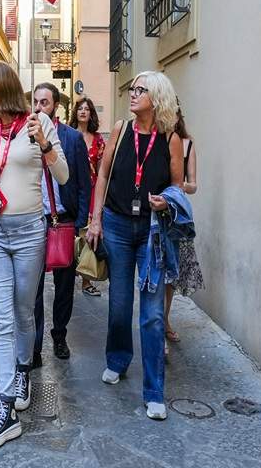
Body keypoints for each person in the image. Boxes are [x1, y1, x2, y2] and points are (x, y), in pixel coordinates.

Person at [0, 62, 68, 450]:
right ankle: (6, 408)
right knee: (1, 317)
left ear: (2, 90)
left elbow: (65, 177)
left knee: (24, 312)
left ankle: (23, 369)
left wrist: (46, 144)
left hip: (28, 233)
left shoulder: (39, 124)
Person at [86, 70, 183, 421]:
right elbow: (102, 178)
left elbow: (177, 188)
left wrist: (165, 203)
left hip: (152, 231)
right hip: (115, 224)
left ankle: (155, 392)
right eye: (132, 88)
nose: (132, 94)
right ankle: (117, 359)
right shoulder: (121, 130)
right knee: (120, 302)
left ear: (155, 97)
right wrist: (95, 219)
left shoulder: (170, 139)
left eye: (139, 90)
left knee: (154, 313)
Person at [32, 83, 90, 365]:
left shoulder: (71, 138)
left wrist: (80, 222)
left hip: (64, 220)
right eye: (35, 102)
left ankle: (59, 335)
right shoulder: (26, 136)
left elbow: (82, 182)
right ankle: (34, 345)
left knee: (64, 285)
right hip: (34, 220)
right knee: (33, 285)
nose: (39, 107)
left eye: (44, 102)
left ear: (55, 105)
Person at [164, 104, 203, 344]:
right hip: (153, 213)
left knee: (171, 273)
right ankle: (156, 324)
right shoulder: (154, 139)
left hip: (175, 215)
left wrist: (177, 186)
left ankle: (164, 320)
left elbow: (193, 185)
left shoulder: (187, 144)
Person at [69, 96, 106, 297]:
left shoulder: (98, 140)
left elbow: (102, 172)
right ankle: (67, 273)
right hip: (72, 190)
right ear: (75, 113)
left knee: (88, 235)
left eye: (87, 109)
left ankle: (86, 279)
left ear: (91, 114)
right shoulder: (67, 135)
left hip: (91, 190)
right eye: (80, 109)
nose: (83, 112)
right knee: (72, 233)